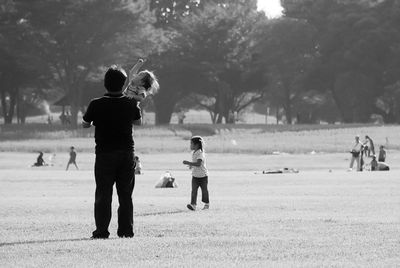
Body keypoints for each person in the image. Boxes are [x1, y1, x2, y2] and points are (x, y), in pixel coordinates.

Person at [82, 65, 142, 239]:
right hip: (126, 153)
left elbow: (85, 124)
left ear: (105, 84)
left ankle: (101, 231)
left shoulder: (96, 103)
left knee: (103, 193)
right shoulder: (131, 103)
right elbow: (138, 123)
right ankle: (125, 231)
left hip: (104, 154)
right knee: (125, 195)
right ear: (123, 84)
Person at [183, 136, 209, 211]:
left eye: (191, 143)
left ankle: (206, 204)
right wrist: (191, 165)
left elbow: (198, 164)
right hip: (195, 176)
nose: (190, 145)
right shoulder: (194, 153)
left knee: (204, 191)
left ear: (196, 145)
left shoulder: (200, 153)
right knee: (194, 191)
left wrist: (188, 162)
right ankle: (193, 205)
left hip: (203, 176)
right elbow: (195, 163)